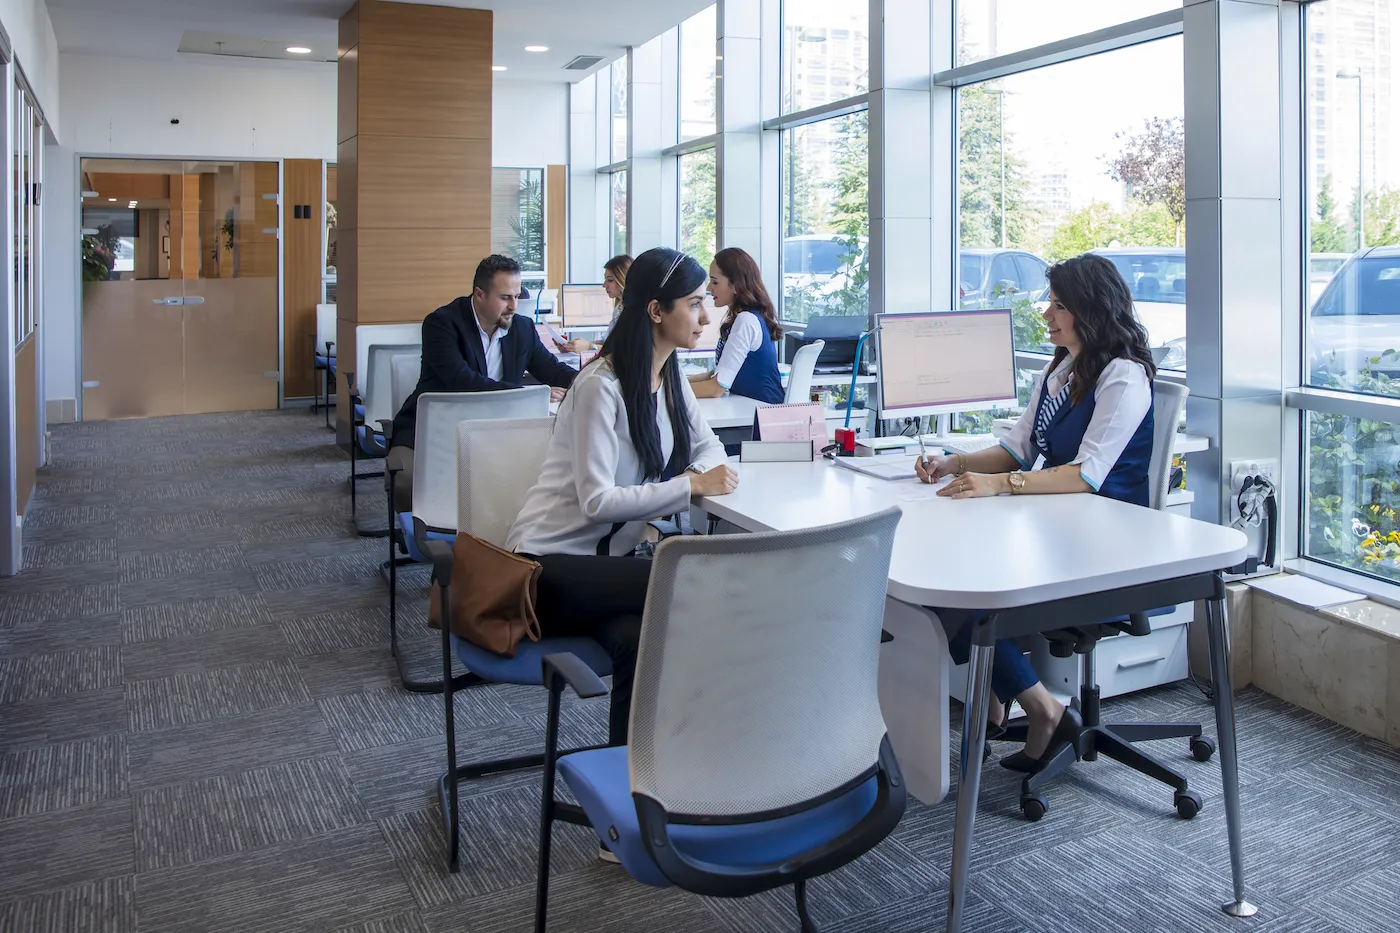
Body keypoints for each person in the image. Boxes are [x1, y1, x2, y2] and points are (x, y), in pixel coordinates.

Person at [915, 252, 1157, 773]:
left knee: (963, 585)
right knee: (940, 574)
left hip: (1104, 541)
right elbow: (1019, 449)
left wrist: (998, 485)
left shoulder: (1123, 377)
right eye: (1050, 302)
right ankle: (1008, 694)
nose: (1047, 314)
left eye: (1059, 305)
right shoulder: (1063, 369)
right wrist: (953, 464)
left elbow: (1085, 475)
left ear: (1091, 311)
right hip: (1055, 527)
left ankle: (1037, 706)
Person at [506, 246, 738, 754]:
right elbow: (597, 503)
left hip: (606, 571)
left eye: (707, 301)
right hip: (546, 569)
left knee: (639, 640)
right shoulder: (599, 386)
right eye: (694, 302)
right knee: (689, 575)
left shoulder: (670, 375)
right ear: (656, 311)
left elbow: (711, 449)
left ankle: (633, 785)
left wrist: (697, 473)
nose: (706, 315)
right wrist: (690, 486)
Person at [387, 254, 577, 509]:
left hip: (498, 435)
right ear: (479, 294)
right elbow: (462, 381)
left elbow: (553, 371)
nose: (513, 305)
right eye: (505, 297)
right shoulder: (442, 324)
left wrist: (595, 378)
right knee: (408, 480)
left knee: (555, 474)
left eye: (517, 296)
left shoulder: (521, 328)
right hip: (436, 433)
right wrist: (531, 394)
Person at [687, 247, 785, 404]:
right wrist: (672, 383)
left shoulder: (746, 320)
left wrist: (668, 391)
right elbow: (716, 375)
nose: (708, 288)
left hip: (761, 416)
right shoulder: (752, 316)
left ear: (735, 285)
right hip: (754, 410)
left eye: (715, 282)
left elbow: (715, 388)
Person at [563, 254, 632, 354]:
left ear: (623, 279)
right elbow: (607, 343)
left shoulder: (635, 312)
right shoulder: (619, 308)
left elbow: (622, 351)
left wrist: (589, 347)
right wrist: (573, 346)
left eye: (610, 280)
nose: (604, 285)